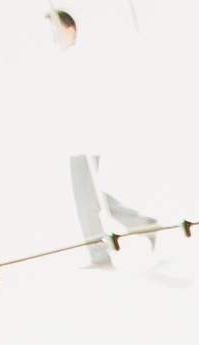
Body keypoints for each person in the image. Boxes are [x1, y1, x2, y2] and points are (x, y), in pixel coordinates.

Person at [43, 12, 158, 264]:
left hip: (85, 137)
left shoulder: (77, 58)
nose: (52, 37)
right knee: (90, 194)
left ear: (70, 29)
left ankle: (100, 252)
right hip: (80, 137)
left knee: (85, 196)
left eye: (55, 30)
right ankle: (142, 224)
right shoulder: (70, 59)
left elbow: (90, 96)